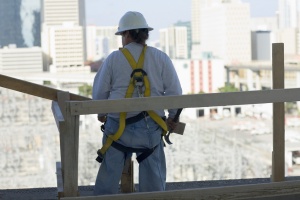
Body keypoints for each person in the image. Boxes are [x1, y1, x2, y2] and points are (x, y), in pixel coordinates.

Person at [92, 11, 182, 195]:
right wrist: (173, 118)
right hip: (150, 130)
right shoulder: (160, 58)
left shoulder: (113, 59)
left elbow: (99, 95)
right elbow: (175, 94)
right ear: (144, 34)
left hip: (117, 133)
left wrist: (102, 114)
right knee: (153, 186)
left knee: (108, 180)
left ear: (125, 34)